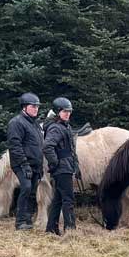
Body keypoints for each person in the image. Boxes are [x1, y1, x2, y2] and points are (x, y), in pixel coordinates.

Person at [6, 92, 43, 230]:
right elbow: (15, 146)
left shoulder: (35, 124)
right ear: (24, 107)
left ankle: (28, 220)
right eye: (33, 106)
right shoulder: (16, 123)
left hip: (35, 164)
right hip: (21, 163)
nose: (36, 109)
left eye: (37, 107)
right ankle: (20, 221)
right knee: (26, 188)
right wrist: (24, 164)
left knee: (33, 190)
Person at [43, 97, 77, 235]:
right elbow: (47, 147)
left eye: (69, 111)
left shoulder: (64, 126)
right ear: (58, 112)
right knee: (68, 199)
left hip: (66, 167)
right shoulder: (56, 128)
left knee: (58, 199)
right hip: (62, 169)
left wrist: (76, 166)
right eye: (64, 111)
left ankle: (51, 229)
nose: (67, 113)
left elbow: (71, 150)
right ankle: (70, 230)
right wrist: (55, 163)